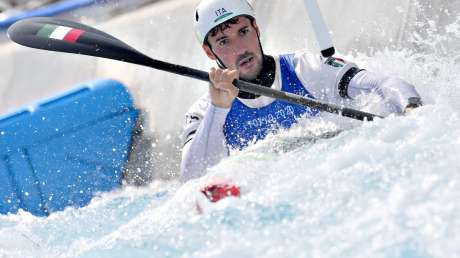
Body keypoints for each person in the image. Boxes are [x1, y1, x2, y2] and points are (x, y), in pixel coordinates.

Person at [180, 0, 422, 181]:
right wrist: (218, 109)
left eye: (243, 32)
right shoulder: (204, 111)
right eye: (224, 41)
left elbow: (383, 84)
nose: (240, 48)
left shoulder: (305, 69)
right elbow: (191, 178)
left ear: (256, 28)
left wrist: (413, 111)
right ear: (209, 52)